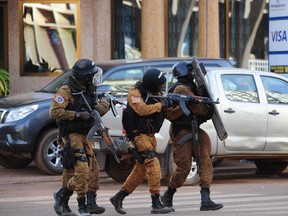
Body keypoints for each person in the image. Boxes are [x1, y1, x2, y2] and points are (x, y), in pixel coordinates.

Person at [50, 59, 111, 216]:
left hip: (85, 134)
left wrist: (107, 103)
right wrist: (77, 114)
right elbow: (54, 111)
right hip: (71, 134)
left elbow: (94, 112)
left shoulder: (88, 89)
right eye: (92, 75)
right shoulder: (67, 90)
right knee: (81, 170)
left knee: (93, 170)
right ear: (85, 76)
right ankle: (77, 203)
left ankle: (89, 203)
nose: (94, 78)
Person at [161, 61, 223, 212]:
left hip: (193, 129)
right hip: (182, 132)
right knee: (184, 168)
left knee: (205, 162)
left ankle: (205, 199)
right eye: (190, 72)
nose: (193, 74)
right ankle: (168, 195)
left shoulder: (189, 87)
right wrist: (206, 109)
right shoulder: (182, 88)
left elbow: (198, 106)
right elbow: (198, 108)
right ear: (185, 73)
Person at [110, 68, 174, 214]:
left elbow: (166, 112)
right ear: (152, 84)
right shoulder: (134, 93)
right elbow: (142, 110)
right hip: (138, 135)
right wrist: (161, 105)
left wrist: (177, 106)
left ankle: (119, 197)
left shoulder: (157, 94)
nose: (161, 89)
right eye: (159, 85)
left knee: (140, 171)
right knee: (153, 164)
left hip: (151, 136)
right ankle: (156, 203)